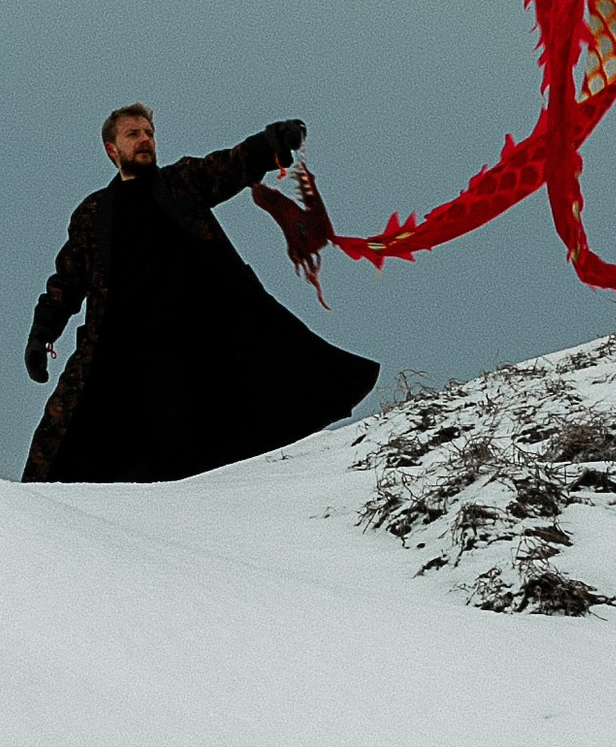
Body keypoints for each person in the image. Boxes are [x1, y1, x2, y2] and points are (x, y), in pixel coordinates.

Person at [22, 104, 379, 485]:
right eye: (133, 134)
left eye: (149, 133)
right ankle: (32, 518)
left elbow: (227, 167)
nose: (145, 139)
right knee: (62, 440)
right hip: (117, 351)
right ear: (112, 149)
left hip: (190, 342)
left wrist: (270, 143)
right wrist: (41, 335)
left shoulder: (180, 183)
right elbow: (66, 281)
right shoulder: (93, 214)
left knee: (194, 451)